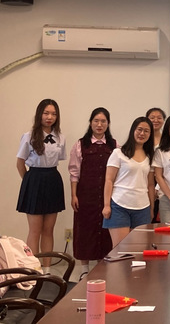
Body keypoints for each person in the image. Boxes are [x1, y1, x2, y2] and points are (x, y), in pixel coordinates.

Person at [16, 99, 66, 271]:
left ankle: (47, 270)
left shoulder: (60, 137)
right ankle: (33, 270)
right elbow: (20, 163)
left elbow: (59, 159)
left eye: (53, 114)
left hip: (53, 179)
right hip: (34, 179)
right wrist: (29, 183)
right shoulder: (29, 136)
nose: (49, 117)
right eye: (46, 113)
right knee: (35, 230)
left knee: (48, 229)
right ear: (39, 114)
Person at [68, 107, 117, 278]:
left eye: (103, 121)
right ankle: (84, 269)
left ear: (108, 124)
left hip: (106, 196)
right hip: (85, 195)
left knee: (105, 231)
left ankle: (101, 268)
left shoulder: (114, 145)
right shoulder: (80, 144)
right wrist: (74, 195)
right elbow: (74, 172)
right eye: (96, 121)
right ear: (90, 123)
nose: (99, 124)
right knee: (85, 230)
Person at [102, 117, 155, 247]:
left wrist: (152, 208)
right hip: (119, 205)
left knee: (138, 250)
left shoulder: (150, 156)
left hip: (142, 207)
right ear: (133, 131)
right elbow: (109, 180)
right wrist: (106, 205)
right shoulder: (118, 153)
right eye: (139, 129)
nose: (142, 133)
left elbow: (150, 185)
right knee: (120, 250)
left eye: (146, 131)